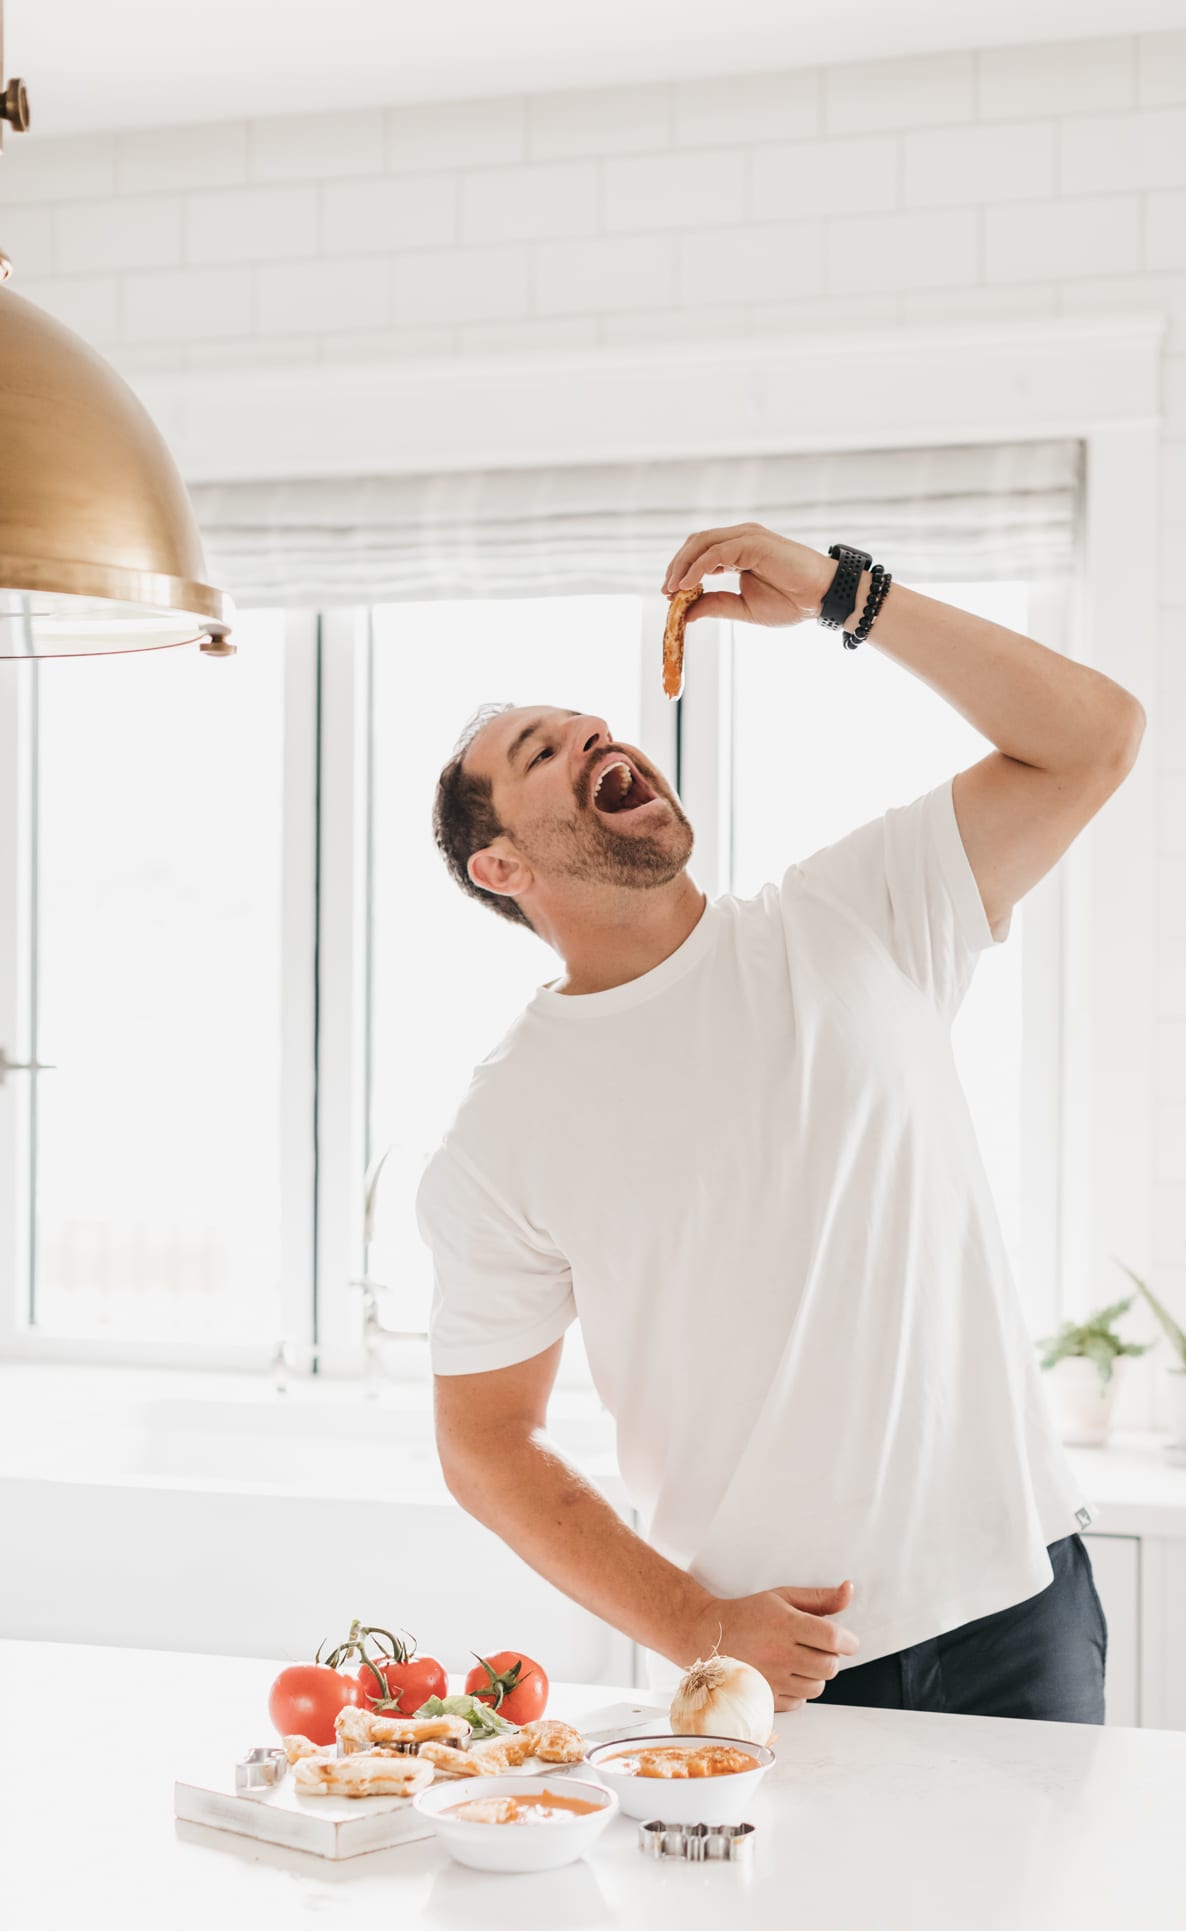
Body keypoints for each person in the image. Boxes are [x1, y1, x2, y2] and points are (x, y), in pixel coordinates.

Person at [417, 525, 1144, 1721]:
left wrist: (845, 596)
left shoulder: (856, 918)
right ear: (501, 870)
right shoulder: (503, 1132)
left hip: (1019, 1609)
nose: (596, 737)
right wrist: (692, 1623)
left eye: (592, 726)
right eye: (544, 752)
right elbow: (486, 1443)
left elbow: (1094, 739)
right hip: (774, 1670)